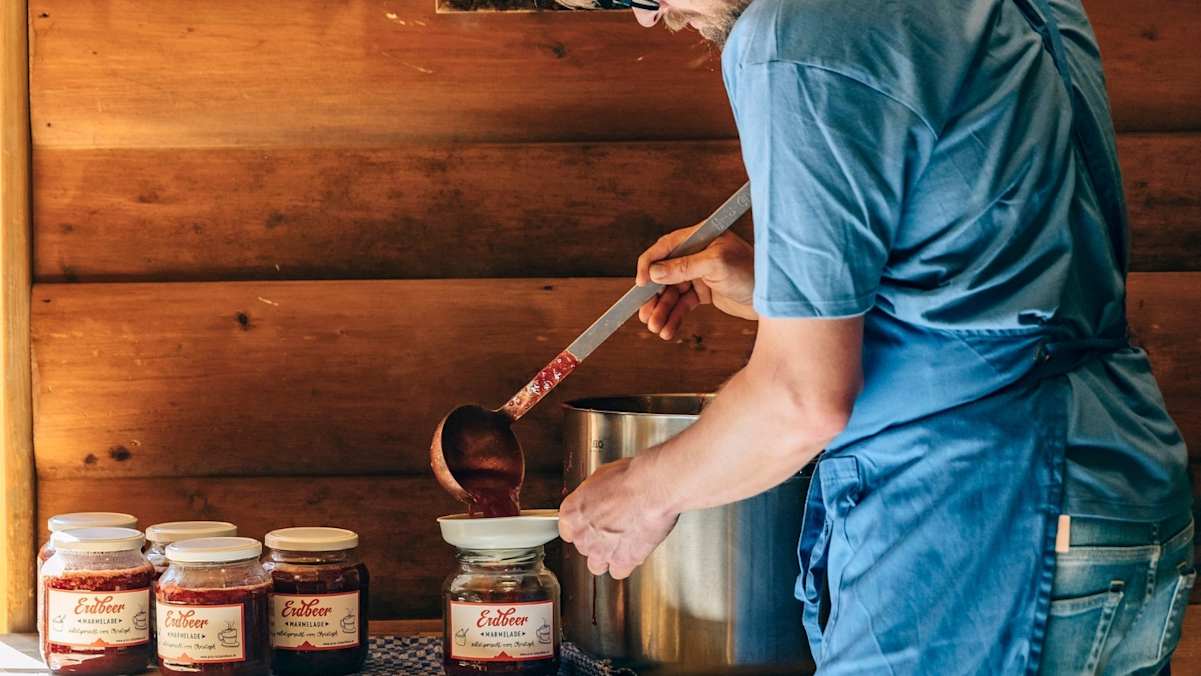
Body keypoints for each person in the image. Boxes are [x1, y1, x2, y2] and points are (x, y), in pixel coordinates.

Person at [554, 0, 1195, 673]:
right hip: (1119, 489)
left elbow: (801, 399)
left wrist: (643, 493)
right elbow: (1008, 275)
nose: (647, 19)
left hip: (968, 523)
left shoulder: (794, 34)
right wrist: (786, 293)